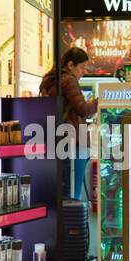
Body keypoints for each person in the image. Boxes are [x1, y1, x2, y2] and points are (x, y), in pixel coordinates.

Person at [41, 47, 97, 200]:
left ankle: (63, 223)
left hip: (58, 139)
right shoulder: (69, 80)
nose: (83, 72)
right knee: (73, 193)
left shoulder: (50, 80)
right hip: (73, 141)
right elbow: (83, 109)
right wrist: (100, 101)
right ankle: (72, 223)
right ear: (71, 65)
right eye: (82, 67)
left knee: (64, 190)